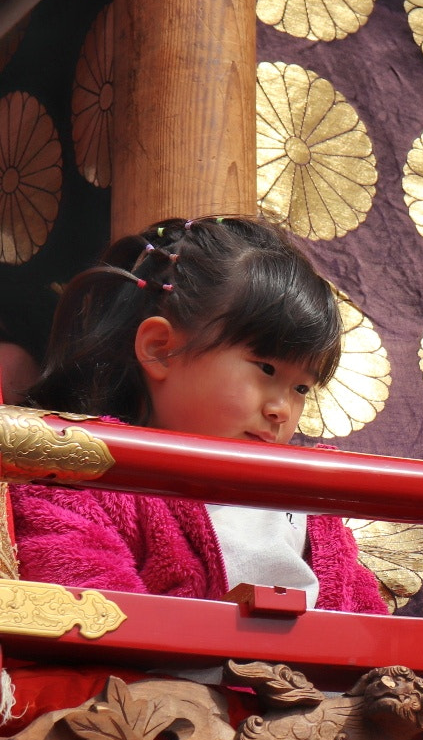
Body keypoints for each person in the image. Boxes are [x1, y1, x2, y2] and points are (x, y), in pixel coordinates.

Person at [12, 216, 387, 613]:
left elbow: (371, 630)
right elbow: (89, 613)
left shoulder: (314, 510)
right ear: (160, 349)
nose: (281, 410)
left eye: (300, 389)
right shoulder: (78, 481)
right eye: (266, 369)